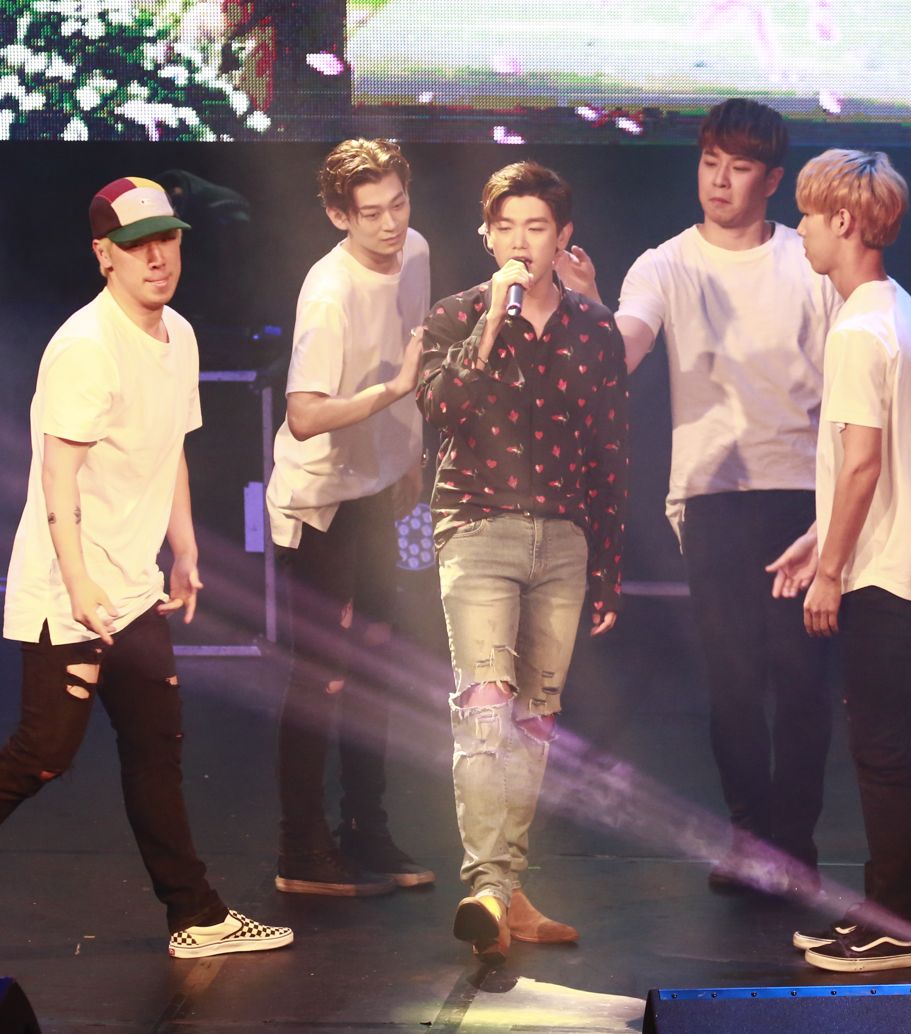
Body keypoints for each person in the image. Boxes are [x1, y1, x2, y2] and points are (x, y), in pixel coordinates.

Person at [0, 177, 292, 974]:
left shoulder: (180, 336)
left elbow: (169, 448)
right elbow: (58, 480)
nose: (158, 258)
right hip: (66, 590)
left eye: (167, 240)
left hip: (134, 586)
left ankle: (195, 916)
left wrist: (186, 549)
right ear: (104, 254)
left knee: (156, 750)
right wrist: (78, 587)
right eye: (139, 245)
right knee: (43, 754)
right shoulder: (84, 347)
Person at [557, 98, 840, 895]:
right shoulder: (666, 264)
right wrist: (587, 306)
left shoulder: (809, 262)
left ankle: (795, 845)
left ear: (772, 180)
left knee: (802, 678)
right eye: (710, 162)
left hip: (803, 493)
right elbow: (622, 352)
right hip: (712, 494)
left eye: (739, 167)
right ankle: (748, 836)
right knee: (733, 679)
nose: (719, 180)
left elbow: (853, 379)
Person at [767, 149, 911, 972]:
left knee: (881, 754)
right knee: (882, 750)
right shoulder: (894, 307)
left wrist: (830, 572)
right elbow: (876, 466)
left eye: (809, 215)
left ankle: (898, 927)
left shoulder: (859, 329)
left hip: (886, 573)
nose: (801, 230)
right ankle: (886, 910)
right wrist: (820, 538)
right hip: (900, 556)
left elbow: (863, 463)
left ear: (845, 222)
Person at [416, 160, 628, 962]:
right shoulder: (456, 315)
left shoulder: (594, 329)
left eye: (535, 227)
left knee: (535, 721)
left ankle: (501, 891)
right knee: (485, 706)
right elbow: (440, 406)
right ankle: (486, 886)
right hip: (477, 526)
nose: (519, 242)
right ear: (486, 235)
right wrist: (490, 328)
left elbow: (611, 451)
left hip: (564, 538)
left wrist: (608, 565)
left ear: (563, 237)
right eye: (504, 227)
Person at [266, 138, 434, 896]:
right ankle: (301, 850)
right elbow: (304, 416)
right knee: (323, 678)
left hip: (374, 489)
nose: (390, 224)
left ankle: (368, 829)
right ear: (339, 215)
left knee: (373, 664)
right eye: (371, 213)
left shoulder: (416, 250)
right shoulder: (328, 293)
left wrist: (409, 451)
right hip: (320, 502)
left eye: (398, 204)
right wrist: (389, 396)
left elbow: (413, 351)